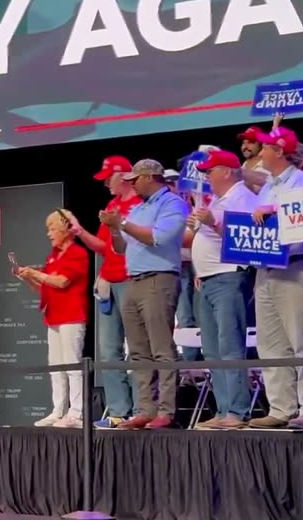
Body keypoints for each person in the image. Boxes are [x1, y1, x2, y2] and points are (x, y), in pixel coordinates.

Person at [100, 159, 190, 430]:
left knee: (162, 349)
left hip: (159, 279)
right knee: (138, 352)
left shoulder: (172, 204)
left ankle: (166, 411)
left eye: (135, 179)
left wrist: (123, 223)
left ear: (150, 177)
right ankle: (145, 409)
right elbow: (119, 248)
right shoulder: (140, 208)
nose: (131, 183)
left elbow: (158, 238)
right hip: (134, 280)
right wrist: (115, 228)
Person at [247, 128, 303, 429]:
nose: (260, 153)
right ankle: (281, 407)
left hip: (294, 266)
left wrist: (275, 209)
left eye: (265, 148)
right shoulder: (269, 184)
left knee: (302, 340)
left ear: (279, 152)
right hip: (265, 268)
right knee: (270, 343)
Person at [69, 156, 141, 429]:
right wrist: (80, 232)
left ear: (123, 176)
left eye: (108, 178)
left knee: (136, 349)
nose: (106, 184)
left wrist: (116, 226)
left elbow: (133, 244)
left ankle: (140, 409)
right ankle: (119, 411)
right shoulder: (112, 205)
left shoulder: (138, 206)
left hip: (133, 280)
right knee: (109, 350)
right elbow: (102, 247)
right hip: (110, 282)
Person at [187, 151, 258, 430]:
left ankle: (238, 411)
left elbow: (246, 239)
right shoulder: (219, 199)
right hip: (208, 279)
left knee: (230, 347)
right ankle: (223, 408)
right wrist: (199, 270)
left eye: (210, 170)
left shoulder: (243, 198)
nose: (206, 175)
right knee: (213, 351)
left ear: (227, 171)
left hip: (229, 277)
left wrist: (212, 222)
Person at [16, 210, 89, 428]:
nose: (49, 234)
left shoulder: (78, 253)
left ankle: (76, 413)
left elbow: (62, 282)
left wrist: (36, 273)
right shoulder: (53, 254)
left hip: (72, 315)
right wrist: (27, 278)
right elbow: (45, 286)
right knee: (55, 365)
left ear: (67, 230)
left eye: (53, 229)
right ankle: (58, 410)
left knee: (72, 365)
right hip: (54, 315)